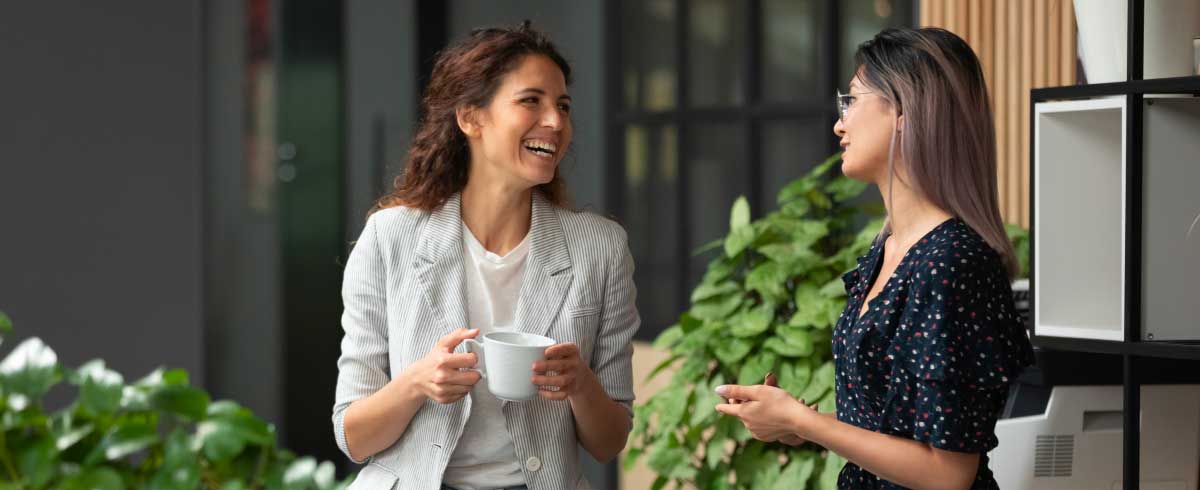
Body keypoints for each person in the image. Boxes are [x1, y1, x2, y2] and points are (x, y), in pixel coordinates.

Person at [714, 27, 1035, 489]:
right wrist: (790, 421)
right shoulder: (887, 250)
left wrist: (805, 423)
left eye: (853, 101)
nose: (839, 124)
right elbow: (894, 429)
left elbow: (948, 474)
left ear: (905, 111)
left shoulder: (951, 262)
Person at [331, 22, 640, 490]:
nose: (555, 122)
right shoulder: (390, 238)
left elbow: (609, 441)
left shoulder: (600, 249)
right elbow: (353, 435)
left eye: (563, 105)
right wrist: (418, 383)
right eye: (530, 101)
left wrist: (581, 384)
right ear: (470, 118)